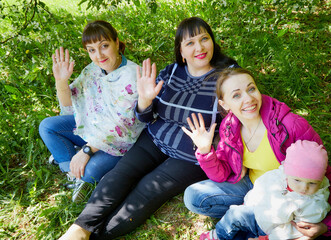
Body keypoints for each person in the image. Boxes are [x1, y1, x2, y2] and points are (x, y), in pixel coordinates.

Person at [58, 17, 238, 240]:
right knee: (120, 175)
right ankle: (79, 229)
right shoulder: (171, 72)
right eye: (190, 43)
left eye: (204, 39)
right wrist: (144, 99)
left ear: (213, 42)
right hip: (154, 139)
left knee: (147, 189)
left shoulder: (228, 76)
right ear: (181, 50)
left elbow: (238, 119)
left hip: (190, 154)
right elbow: (144, 116)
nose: (199, 47)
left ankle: (96, 236)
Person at [182, 68, 331, 240]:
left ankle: (253, 224)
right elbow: (222, 174)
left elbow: (323, 176)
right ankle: (251, 219)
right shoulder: (230, 126)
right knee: (193, 196)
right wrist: (205, 151)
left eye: (251, 89)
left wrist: (327, 225)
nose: (248, 99)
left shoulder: (291, 125)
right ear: (224, 104)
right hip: (254, 187)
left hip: (290, 194)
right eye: (236, 95)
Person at [39, 20, 145, 202]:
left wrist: (86, 151)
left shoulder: (133, 75)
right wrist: (61, 82)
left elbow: (122, 127)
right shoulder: (93, 70)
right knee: (47, 126)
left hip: (120, 143)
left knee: (90, 172)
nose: (99, 55)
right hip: (92, 129)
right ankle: (71, 172)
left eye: (104, 46)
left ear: (117, 43)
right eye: (92, 50)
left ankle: (78, 168)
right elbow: (69, 106)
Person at [197, 140, 331, 240]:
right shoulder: (277, 178)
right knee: (235, 214)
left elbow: (295, 230)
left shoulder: (314, 203)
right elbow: (261, 188)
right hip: (257, 212)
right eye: (297, 180)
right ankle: (217, 236)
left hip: (270, 231)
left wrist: (267, 238)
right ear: (287, 171)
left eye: (312, 183)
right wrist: (248, 204)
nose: (304, 188)